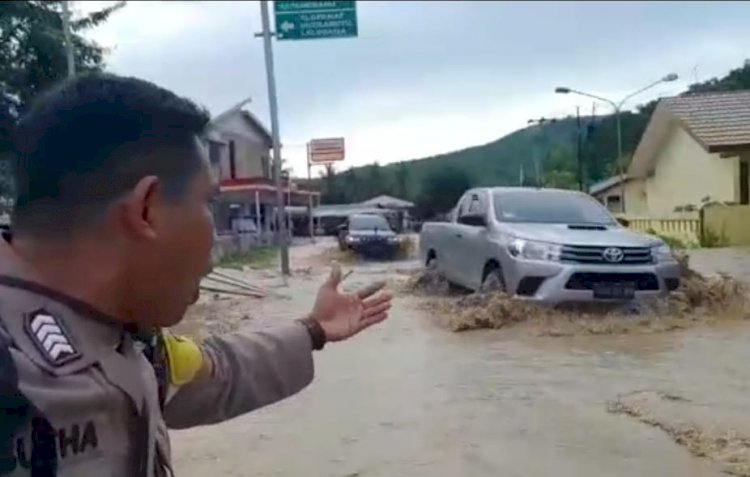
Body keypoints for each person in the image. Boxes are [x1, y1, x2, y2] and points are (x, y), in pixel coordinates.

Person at [0, 73, 392, 477]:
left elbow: (218, 370)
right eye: (207, 202)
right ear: (147, 210)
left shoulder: (133, 341)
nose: (214, 243)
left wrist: (314, 330)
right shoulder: (12, 373)